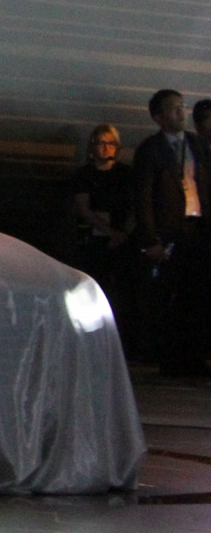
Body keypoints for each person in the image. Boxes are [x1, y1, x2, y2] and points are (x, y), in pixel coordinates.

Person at [133, 89, 211, 376]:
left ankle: (194, 357)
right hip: (169, 231)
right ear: (159, 117)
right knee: (168, 295)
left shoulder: (197, 144)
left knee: (198, 294)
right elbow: (143, 197)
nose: (181, 112)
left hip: (198, 228)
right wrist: (150, 239)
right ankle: (170, 358)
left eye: (182, 106)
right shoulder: (150, 149)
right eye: (173, 108)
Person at [67, 123, 140, 352]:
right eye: (101, 142)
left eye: (110, 143)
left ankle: (123, 339)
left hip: (121, 239)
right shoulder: (84, 175)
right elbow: (83, 208)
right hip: (94, 239)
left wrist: (124, 233)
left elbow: (135, 207)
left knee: (123, 289)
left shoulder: (126, 174)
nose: (105, 148)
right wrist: (110, 232)